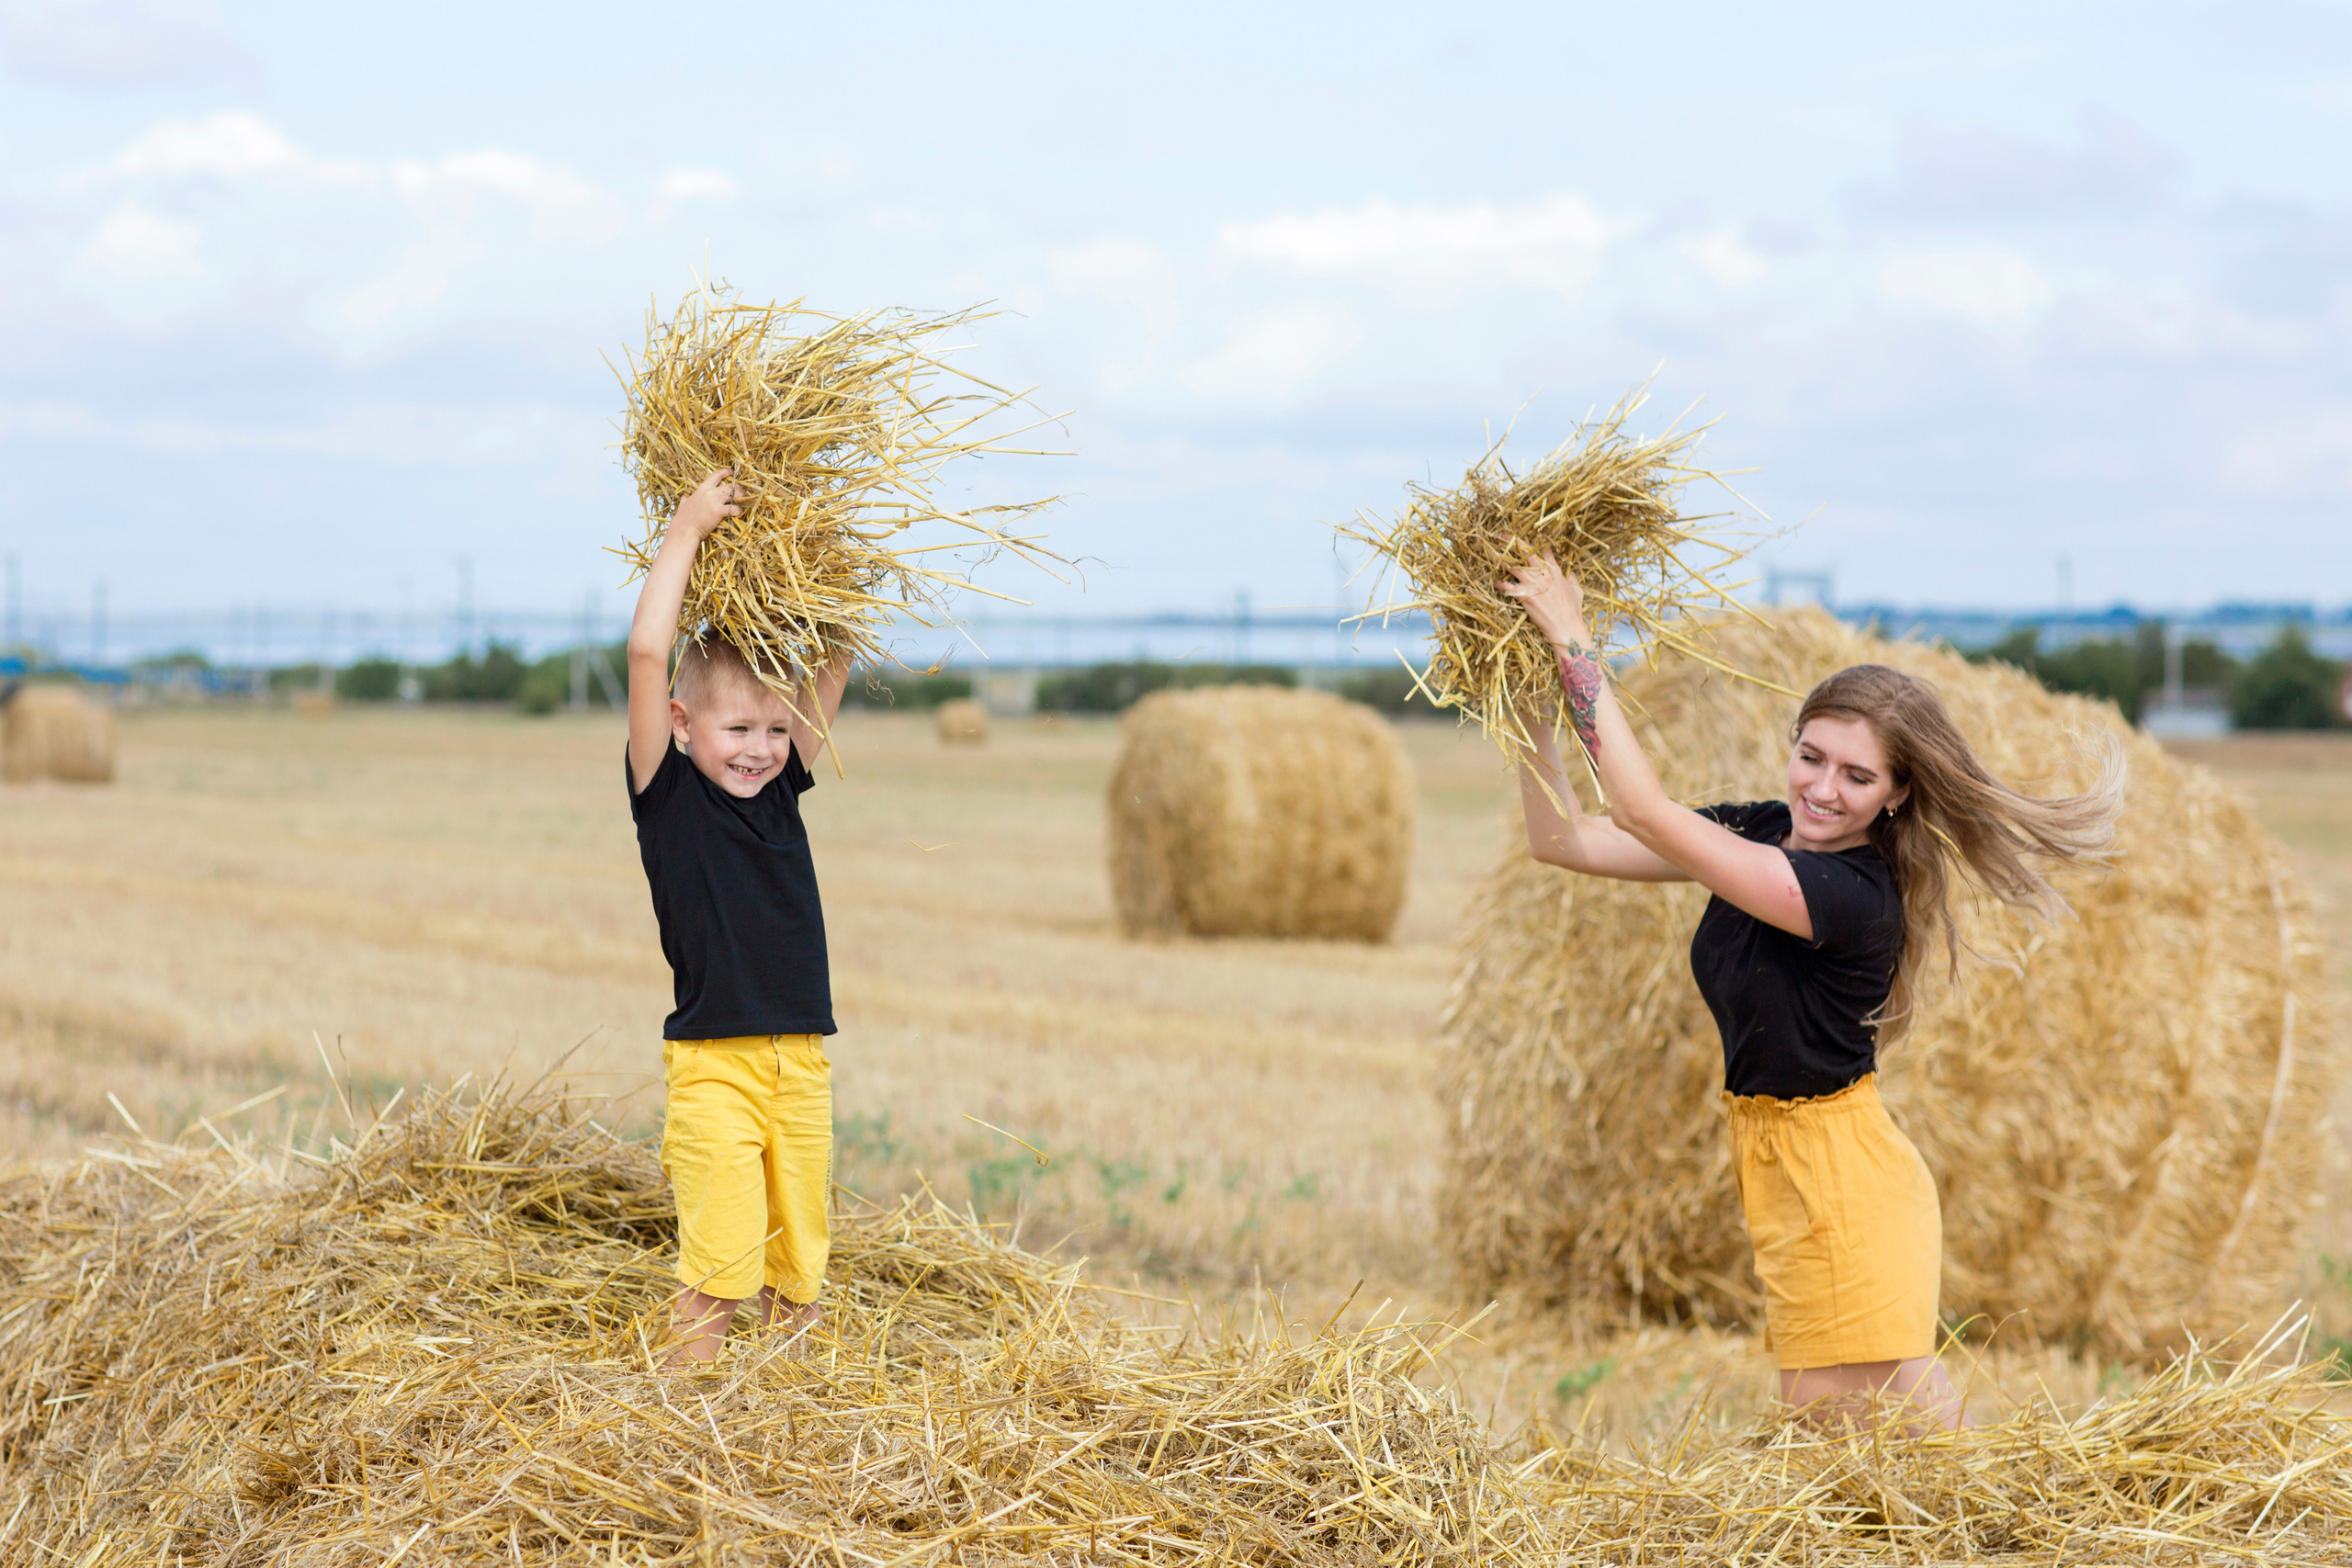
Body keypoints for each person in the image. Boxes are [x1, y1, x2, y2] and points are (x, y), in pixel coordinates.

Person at [1501, 551, 2121, 1428]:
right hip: (1787, 1166)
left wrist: (1572, 638)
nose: (1822, 789)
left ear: (1898, 795)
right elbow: (1565, 839)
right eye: (1811, 756)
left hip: (1841, 1180)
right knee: (1894, 1457)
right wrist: (1526, 702)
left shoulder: (1848, 897)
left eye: (1857, 775)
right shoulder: (1763, 831)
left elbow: (1642, 811)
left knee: (1850, 1456)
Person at [625, 468, 854, 1368]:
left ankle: (788, 1445)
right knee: (717, 1269)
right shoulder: (666, 795)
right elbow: (649, 654)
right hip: (716, 1067)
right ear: (681, 724)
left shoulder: (780, 790)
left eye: (773, 729)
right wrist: (687, 529)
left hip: (800, 1062)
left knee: (797, 1276)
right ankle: (689, 1439)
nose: (761, 749)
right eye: (737, 731)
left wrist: (817, 543)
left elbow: (832, 657)